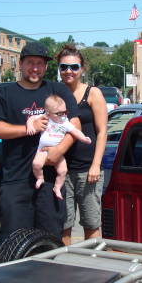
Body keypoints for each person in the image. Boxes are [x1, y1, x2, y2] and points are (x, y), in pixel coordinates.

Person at [0, 41, 81, 243]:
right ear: (20, 64)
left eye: (40, 63)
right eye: (30, 63)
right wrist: (29, 128)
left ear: (46, 66)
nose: (35, 68)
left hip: (50, 180)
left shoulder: (58, 90)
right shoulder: (4, 93)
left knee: (49, 240)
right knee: (13, 242)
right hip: (16, 180)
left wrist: (59, 150)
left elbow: (75, 124)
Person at [57, 44, 108, 245]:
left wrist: (96, 165)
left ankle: (92, 262)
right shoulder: (55, 94)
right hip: (61, 170)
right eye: (64, 67)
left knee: (91, 223)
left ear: (82, 69)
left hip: (88, 171)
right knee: (63, 224)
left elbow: (102, 132)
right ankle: (63, 263)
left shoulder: (93, 93)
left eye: (74, 67)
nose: (68, 71)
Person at [26, 94, 91, 198]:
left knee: (63, 170)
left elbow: (75, 131)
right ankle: (40, 178)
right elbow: (31, 118)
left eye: (65, 112)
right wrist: (30, 126)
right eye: (59, 113)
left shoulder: (65, 122)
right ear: (48, 113)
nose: (63, 115)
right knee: (36, 164)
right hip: (43, 150)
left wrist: (83, 138)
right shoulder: (45, 117)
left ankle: (57, 187)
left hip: (58, 152)